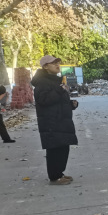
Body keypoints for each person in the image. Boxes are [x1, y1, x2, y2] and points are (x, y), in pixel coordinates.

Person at [31, 55, 78, 185]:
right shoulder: (42, 82)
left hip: (61, 120)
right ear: (45, 67)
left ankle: (60, 173)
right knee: (54, 150)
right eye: (53, 63)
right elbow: (43, 100)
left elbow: (57, 101)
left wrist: (71, 104)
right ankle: (54, 177)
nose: (57, 65)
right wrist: (59, 90)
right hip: (51, 122)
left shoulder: (55, 81)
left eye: (58, 63)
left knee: (63, 148)